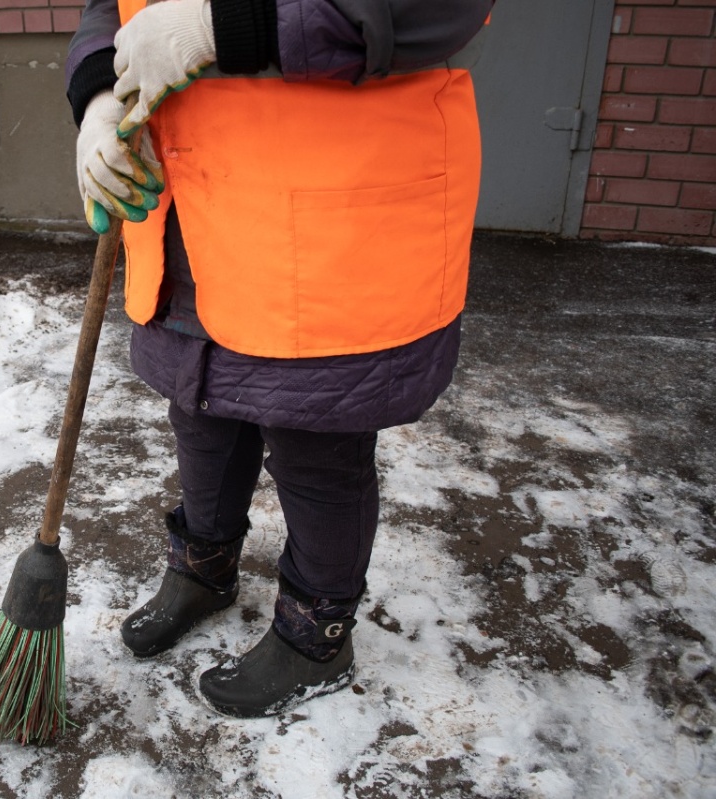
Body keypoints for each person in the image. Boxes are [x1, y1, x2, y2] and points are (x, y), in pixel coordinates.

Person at [66, 0, 494, 718]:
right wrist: (98, 95)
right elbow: (108, 10)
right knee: (200, 410)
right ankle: (204, 568)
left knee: (315, 439)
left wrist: (225, 24)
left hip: (334, 215)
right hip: (188, 208)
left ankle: (314, 635)